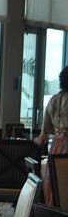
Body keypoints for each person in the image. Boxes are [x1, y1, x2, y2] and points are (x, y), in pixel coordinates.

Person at [36, 66, 68, 204]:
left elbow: (43, 136)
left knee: (54, 184)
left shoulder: (53, 100)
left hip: (56, 147)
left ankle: (53, 215)